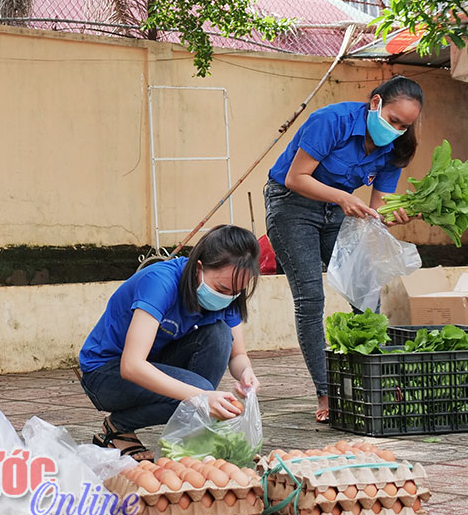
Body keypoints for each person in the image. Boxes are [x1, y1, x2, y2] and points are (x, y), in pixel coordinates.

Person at [264, 75, 423, 422]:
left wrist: (396, 215)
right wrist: (343, 197)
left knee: (365, 292)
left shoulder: (395, 148)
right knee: (310, 298)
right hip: (292, 205)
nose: (396, 130)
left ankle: (378, 379)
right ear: (376, 102)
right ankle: (326, 392)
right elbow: (296, 177)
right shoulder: (331, 121)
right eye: (394, 120)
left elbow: (378, 209)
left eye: (404, 126)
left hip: (339, 210)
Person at [78, 226, 263, 461]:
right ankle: (118, 427)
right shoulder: (160, 282)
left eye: (235, 292)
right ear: (199, 268)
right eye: (221, 289)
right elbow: (132, 365)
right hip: (105, 374)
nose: (227, 297)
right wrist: (202, 396)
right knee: (199, 389)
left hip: (155, 362)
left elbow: (237, 356)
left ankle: (193, 430)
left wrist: (246, 374)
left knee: (219, 334)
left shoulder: (229, 295)